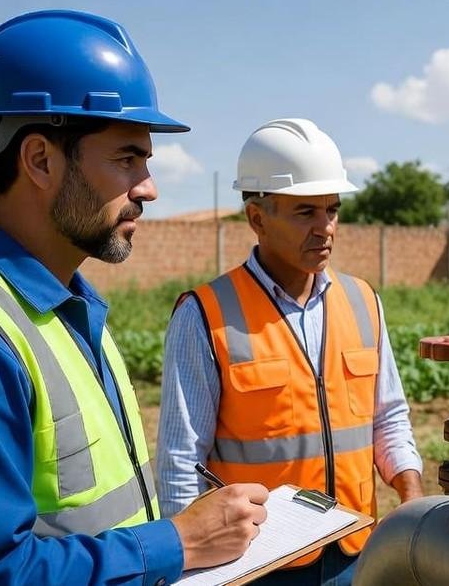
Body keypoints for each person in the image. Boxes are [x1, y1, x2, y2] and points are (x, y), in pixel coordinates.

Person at [0, 10, 269, 585]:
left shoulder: (69, 310)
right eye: (127, 157)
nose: (148, 187)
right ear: (40, 160)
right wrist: (178, 542)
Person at [157, 118, 424, 586]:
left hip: (354, 549)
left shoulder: (363, 301)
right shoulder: (205, 314)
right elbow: (182, 459)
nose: (325, 228)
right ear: (257, 217)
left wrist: (412, 495)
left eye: (333, 210)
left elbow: (388, 418)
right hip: (256, 561)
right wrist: (191, 567)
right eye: (305, 212)